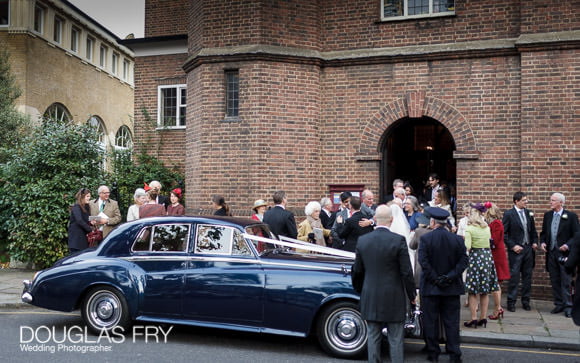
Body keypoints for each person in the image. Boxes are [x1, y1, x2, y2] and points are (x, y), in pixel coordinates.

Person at [352, 204, 416, 363]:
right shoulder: (398, 240)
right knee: (395, 339)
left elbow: (357, 271)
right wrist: (412, 295)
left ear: (374, 219)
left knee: (373, 336)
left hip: (370, 294)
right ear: (391, 220)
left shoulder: (363, 240)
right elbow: (406, 272)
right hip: (394, 295)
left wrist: (361, 290)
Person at [418, 207, 468, 363]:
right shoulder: (458, 239)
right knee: (451, 323)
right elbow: (463, 262)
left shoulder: (426, 239)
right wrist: (449, 277)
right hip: (451, 288)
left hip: (431, 288)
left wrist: (436, 279)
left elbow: (423, 262)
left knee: (430, 322)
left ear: (433, 222)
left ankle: (433, 353)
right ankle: (454, 354)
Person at [540, 193, 580, 318]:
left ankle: (568, 306)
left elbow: (576, 235)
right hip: (551, 253)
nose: (550, 202)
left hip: (565, 254)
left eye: (553, 200)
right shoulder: (548, 215)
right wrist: (542, 242)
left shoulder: (571, 216)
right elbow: (543, 233)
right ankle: (559, 304)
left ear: (561, 203)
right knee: (555, 279)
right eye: (551, 200)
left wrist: (568, 245)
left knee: (566, 281)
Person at [463, 203, 499, 329]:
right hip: (487, 258)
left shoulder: (469, 229)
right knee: (485, 291)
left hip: (476, 258)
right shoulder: (486, 228)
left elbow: (467, 246)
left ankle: (473, 318)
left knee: (473, 292)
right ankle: (483, 318)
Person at [502, 191, 538, 312]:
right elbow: (504, 234)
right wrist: (513, 246)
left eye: (526, 200)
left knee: (527, 276)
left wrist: (534, 242)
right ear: (516, 201)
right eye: (524, 200)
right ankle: (511, 301)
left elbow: (533, 230)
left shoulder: (529, 213)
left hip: (528, 249)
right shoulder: (509, 214)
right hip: (516, 251)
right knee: (514, 276)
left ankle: (526, 301)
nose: (526, 202)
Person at [484, 202, 510, 320]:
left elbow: (494, 240)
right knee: (494, 284)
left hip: (496, 256)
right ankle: (497, 308)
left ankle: (498, 308)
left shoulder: (497, 223)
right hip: (494, 255)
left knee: (495, 284)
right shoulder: (493, 223)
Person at [68, 188, 95, 254]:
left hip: (83, 240)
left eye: (89, 196)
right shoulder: (76, 207)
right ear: (82, 197)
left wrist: (91, 223)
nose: (89, 198)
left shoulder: (86, 207)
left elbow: (86, 220)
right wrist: (90, 229)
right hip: (76, 240)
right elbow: (79, 220)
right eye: (87, 196)